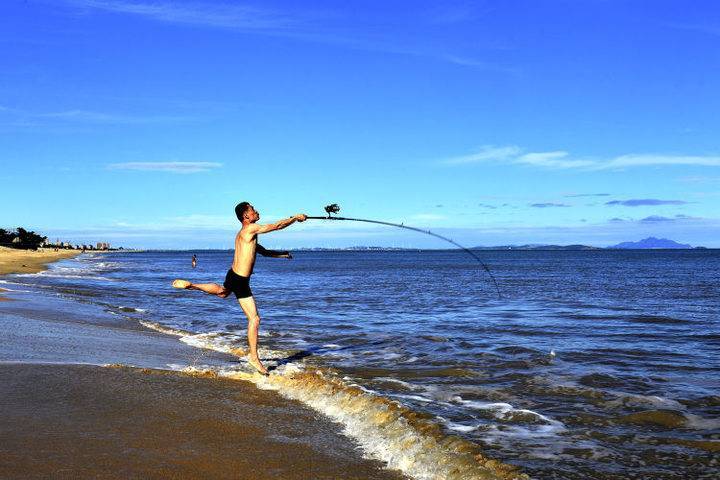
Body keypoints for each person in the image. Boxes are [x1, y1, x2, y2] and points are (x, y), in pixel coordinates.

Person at [172, 202, 307, 374]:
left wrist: (282, 254)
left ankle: (192, 285)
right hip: (241, 280)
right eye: (252, 210)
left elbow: (263, 252)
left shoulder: (246, 234)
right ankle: (254, 359)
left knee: (222, 292)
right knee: (255, 319)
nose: (257, 211)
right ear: (246, 216)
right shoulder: (249, 229)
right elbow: (277, 226)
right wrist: (295, 218)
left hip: (234, 275)